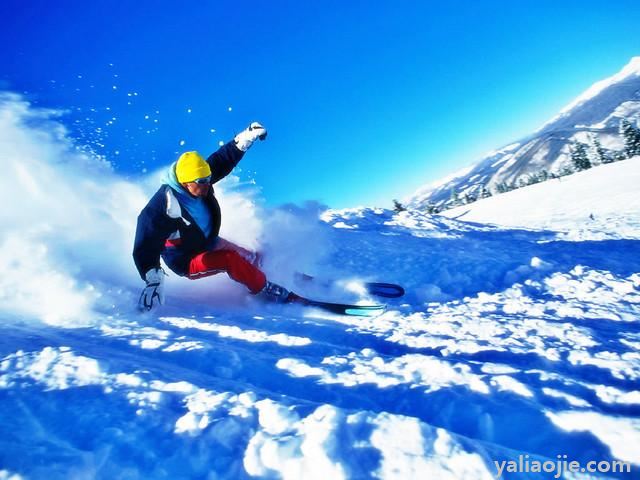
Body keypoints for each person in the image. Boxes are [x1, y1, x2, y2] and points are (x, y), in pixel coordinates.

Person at [133, 122, 290, 311]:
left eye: (209, 179)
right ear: (185, 182)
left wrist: (246, 137)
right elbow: (145, 245)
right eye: (202, 182)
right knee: (230, 259)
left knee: (248, 256)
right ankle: (264, 289)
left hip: (207, 240)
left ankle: (267, 270)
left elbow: (222, 160)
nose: (208, 185)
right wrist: (152, 276)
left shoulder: (199, 179)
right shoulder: (161, 208)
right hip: (187, 259)